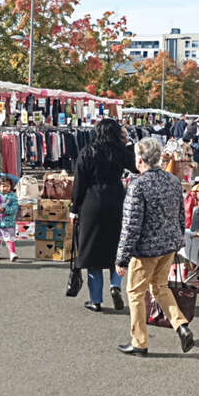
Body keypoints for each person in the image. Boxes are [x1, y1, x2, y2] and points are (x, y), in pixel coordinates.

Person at [114, 137, 195, 356]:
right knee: (160, 287)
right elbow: (180, 216)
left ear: (140, 160)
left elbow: (131, 225)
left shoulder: (138, 185)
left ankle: (139, 342)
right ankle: (181, 325)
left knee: (135, 293)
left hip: (146, 249)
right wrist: (177, 240)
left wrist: (121, 258)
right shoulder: (172, 181)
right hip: (168, 245)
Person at [71, 117, 135, 312]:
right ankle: (115, 285)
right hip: (116, 200)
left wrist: (74, 208)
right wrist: (128, 143)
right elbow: (136, 167)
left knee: (93, 252)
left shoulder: (88, 151)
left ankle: (96, 300)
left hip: (92, 202)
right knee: (117, 249)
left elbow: (79, 182)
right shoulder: (121, 151)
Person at [0, 175, 20, 261]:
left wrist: (5, 210)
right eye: (3, 186)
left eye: (8, 186)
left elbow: (15, 208)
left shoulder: (12, 197)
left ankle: (12, 253)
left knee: (10, 238)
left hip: (8, 222)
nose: (5, 188)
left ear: (11, 187)